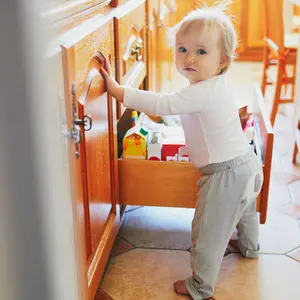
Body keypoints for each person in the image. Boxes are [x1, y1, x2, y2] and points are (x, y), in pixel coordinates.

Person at [100, 1, 263, 299]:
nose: (189, 58)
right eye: (182, 49)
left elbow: (165, 103)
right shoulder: (218, 85)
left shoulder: (199, 91)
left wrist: (118, 91)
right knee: (245, 211)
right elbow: (191, 116)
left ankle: (200, 285)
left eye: (201, 51)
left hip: (223, 177)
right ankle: (250, 247)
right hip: (249, 167)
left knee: (208, 232)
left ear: (223, 59)